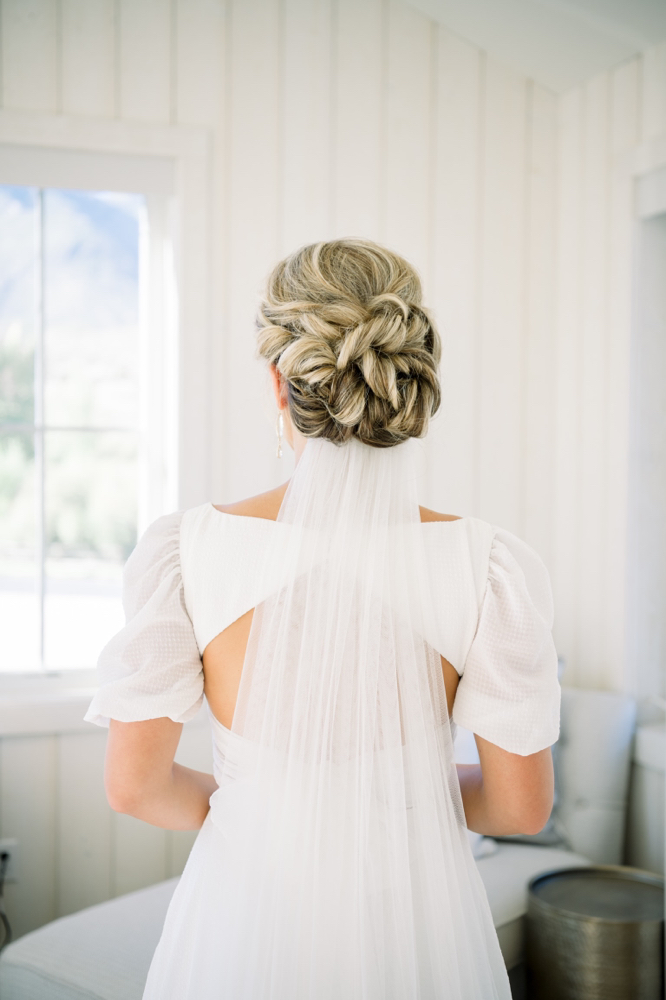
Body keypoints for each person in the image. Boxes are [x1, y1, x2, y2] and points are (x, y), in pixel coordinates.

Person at [85, 239, 560, 999]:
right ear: (408, 384)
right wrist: (390, 797)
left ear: (281, 384)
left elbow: (134, 788)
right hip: (420, 932)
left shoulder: (186, 552)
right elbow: (519, 804)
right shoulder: (489, 566)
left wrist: (269, 803)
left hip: (242, 919)